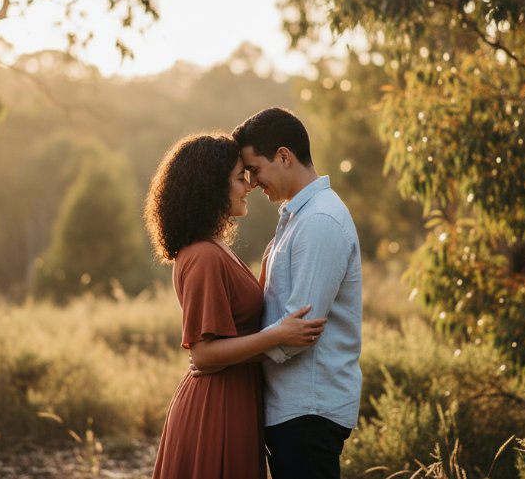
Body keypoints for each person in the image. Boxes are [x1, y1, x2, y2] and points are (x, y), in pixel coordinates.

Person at [144, 132, 327, 479]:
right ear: (212, 187)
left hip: (238, 397)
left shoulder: (216, 249)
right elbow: (204, 355)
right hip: (217, 406)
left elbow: (235, 339)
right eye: (239, 177)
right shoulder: (203, 256)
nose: (249, 186)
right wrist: (277, 335)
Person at [232, 107, 363, 479]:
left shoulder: (319, 221)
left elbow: (297, 334)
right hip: (293, 408)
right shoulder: (298, 219)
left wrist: (224, 356)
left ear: (284, 157)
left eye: (255, 169)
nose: (253, 183)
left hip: (308, 409)